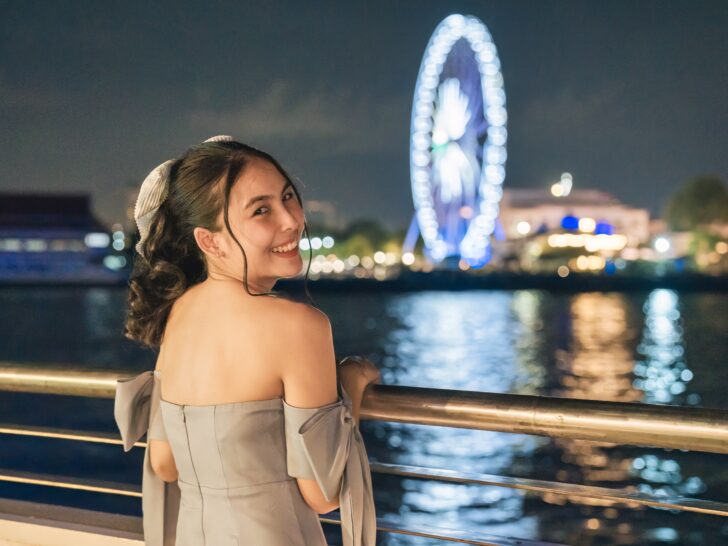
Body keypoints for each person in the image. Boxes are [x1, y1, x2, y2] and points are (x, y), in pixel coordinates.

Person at [113, 135, 381, 546]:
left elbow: (165, 463)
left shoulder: (178, 314)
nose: (291, 220)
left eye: (288, 196)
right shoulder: (299, 325)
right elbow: (322, 494)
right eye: (261, 210)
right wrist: (351, 387)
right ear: (210, 241)